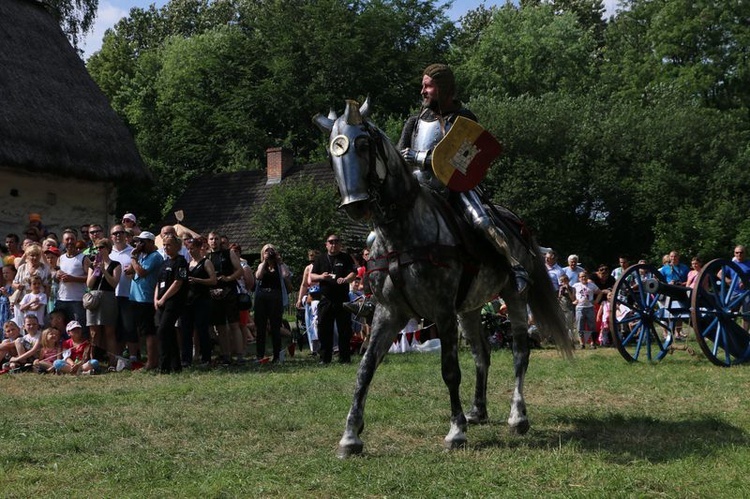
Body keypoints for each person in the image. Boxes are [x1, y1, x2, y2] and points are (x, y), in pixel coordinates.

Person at [397, 63, 528, 292]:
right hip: (418, 188)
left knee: (483, 222)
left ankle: (515, 267)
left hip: (454, 187)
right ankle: (378, 290)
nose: (422, 91)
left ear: (443, 87)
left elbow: (463, 161)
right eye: (423, 86)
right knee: (379, 231)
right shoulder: (414, 121)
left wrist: (419, 157)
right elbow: (399, 157)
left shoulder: (464, 119)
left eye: (428, 86)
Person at [310, 232, 357, 364]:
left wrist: (346, 279)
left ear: (340, 244)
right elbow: (312, 276)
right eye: (331, 242)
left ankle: (344, 358)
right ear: (326, 245)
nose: (333, 244)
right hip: (326, 298)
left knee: (344, 329)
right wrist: (321, 277)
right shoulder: (320, 259)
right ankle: (325, 358)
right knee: (324, 328)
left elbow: (354, 273)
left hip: (342, 298)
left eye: (336, 242)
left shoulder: (346, 257)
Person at [125, 231, 163, 370]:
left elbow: (141, 272)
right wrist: (134, 262)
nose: (139, 245)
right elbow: (131, 271)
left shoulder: (155, 257)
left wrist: (134, 258)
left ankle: (152, 362)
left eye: (142, 242)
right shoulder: (143, 257)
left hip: (146, 299)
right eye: (137, 242)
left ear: (151, 242)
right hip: (136, 298)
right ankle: (149, 359)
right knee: (142, 331)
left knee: (149, 332)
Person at [207, 231, 245, 365]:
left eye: (216, 239)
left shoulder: (229, 253)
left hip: (229, 292)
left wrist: (228, 278)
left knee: (234, 324)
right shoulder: (207, 256)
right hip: (213, 294)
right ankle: (225, 355)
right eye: (211, 239)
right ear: (208, 241)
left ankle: (240, 356)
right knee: (221, 326)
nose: (214, 241)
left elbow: (240, 270)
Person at [154, 235, 188, 373]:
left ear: (177, 246)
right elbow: (158, 283)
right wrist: (156, 299)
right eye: (164, 245)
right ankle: (176, 366)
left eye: (169, 245)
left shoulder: (181, 262)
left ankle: (164, 366)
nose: (166, 248)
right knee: (168, 332)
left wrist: (164, 298)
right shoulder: (164, 263)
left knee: (162, 331)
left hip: (174, 301)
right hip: (161, 302)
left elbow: (178, 283)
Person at [86, 238, 121, 369]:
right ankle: (92, 361)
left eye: (101, 247)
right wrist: (96, 270)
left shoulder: (116, 265)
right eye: (97, 248)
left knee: (109, 332)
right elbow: (89, 284)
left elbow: (114, 283)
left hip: (108, 298)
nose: (99, 250)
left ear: (108, 249)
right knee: (94, 332)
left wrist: (104, 270)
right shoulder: (92, 265)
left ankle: (112, 362)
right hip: (94, 299)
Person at [181, 237, 217, 367]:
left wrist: (197, 280)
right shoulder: (188, 264)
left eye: (192, 248)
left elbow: (213, 280)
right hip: (188, 301)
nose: (190, 251)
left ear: (199, 248)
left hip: (202, 300)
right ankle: (186, 359)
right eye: (188, 249)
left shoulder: (206, 262)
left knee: (202, 329)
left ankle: (206, 358)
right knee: (186, 330)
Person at [253, 243, 291, 363]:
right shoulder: (261, 265)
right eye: (266, 251)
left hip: (275, 296)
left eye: (271, 251)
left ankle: (277, 355)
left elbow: (286, 275)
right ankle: (260, 355)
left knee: (276, 327)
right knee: (261, 327)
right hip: (262, 297)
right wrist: (265, 262)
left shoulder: (280, 266)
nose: (269, 253)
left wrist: (279, 261)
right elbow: (258, 276)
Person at [109, 225, 136, 362]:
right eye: (115, 233)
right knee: (116, 327)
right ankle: (118, 356)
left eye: (121, 232)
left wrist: (133, 270)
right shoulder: (109, 253)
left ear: (125, 235)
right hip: (112, 295)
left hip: (129, 294)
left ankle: (133, 356)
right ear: (111, 237)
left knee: (129, 326)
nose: (118, 235)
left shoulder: (133, 252)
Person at [56, 229, 90, 332]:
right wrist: (57, 275)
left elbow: (90, 277)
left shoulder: (83, 258)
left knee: (79, 330)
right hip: (62, 299)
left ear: (76, 240)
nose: (70, 242)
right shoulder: (61, 258)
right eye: (67, 239)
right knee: (61, 330)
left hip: (77, 300)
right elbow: (56, 276)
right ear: (63, 241)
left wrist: (73, 279)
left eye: (72, 239)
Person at [572, 271, 600, 349]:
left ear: (587, 277)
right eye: (581, 277)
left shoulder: (592, 285)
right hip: (579, 308)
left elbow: (600, 292)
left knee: (592, 326)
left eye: (585, 276)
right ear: (579, 278)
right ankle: (582, 343)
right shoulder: (575, 285)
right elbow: (571, 294)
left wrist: (596, 301)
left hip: (590, 307)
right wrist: (574, 300)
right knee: (580, 326)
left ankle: (593, 343)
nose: (583, 278)